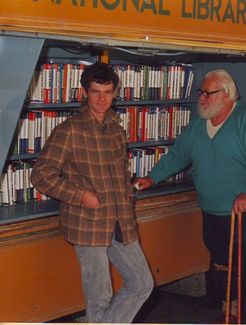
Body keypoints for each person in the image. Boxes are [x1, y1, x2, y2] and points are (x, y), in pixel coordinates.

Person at [135, 69, 246, 323]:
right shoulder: (198, 125)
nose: (201, 98)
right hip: (215, 209)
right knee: (223, 265)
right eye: (200, 93)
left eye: (208, 93)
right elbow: (179, 155)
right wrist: (153, 177)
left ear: (227, 95)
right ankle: (231, 310)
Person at [31, 62, 154, 322]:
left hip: (121, 221)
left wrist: (129, 190)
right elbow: (41, 175)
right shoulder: (69, 130)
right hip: (88, 224)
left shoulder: (117, 131)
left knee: (142, 283)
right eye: (96, 92)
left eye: (108, 92)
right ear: (84, 92)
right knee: (99, 298)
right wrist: (80, 195)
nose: (102, 99)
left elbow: (119, 174)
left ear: (115, 92)